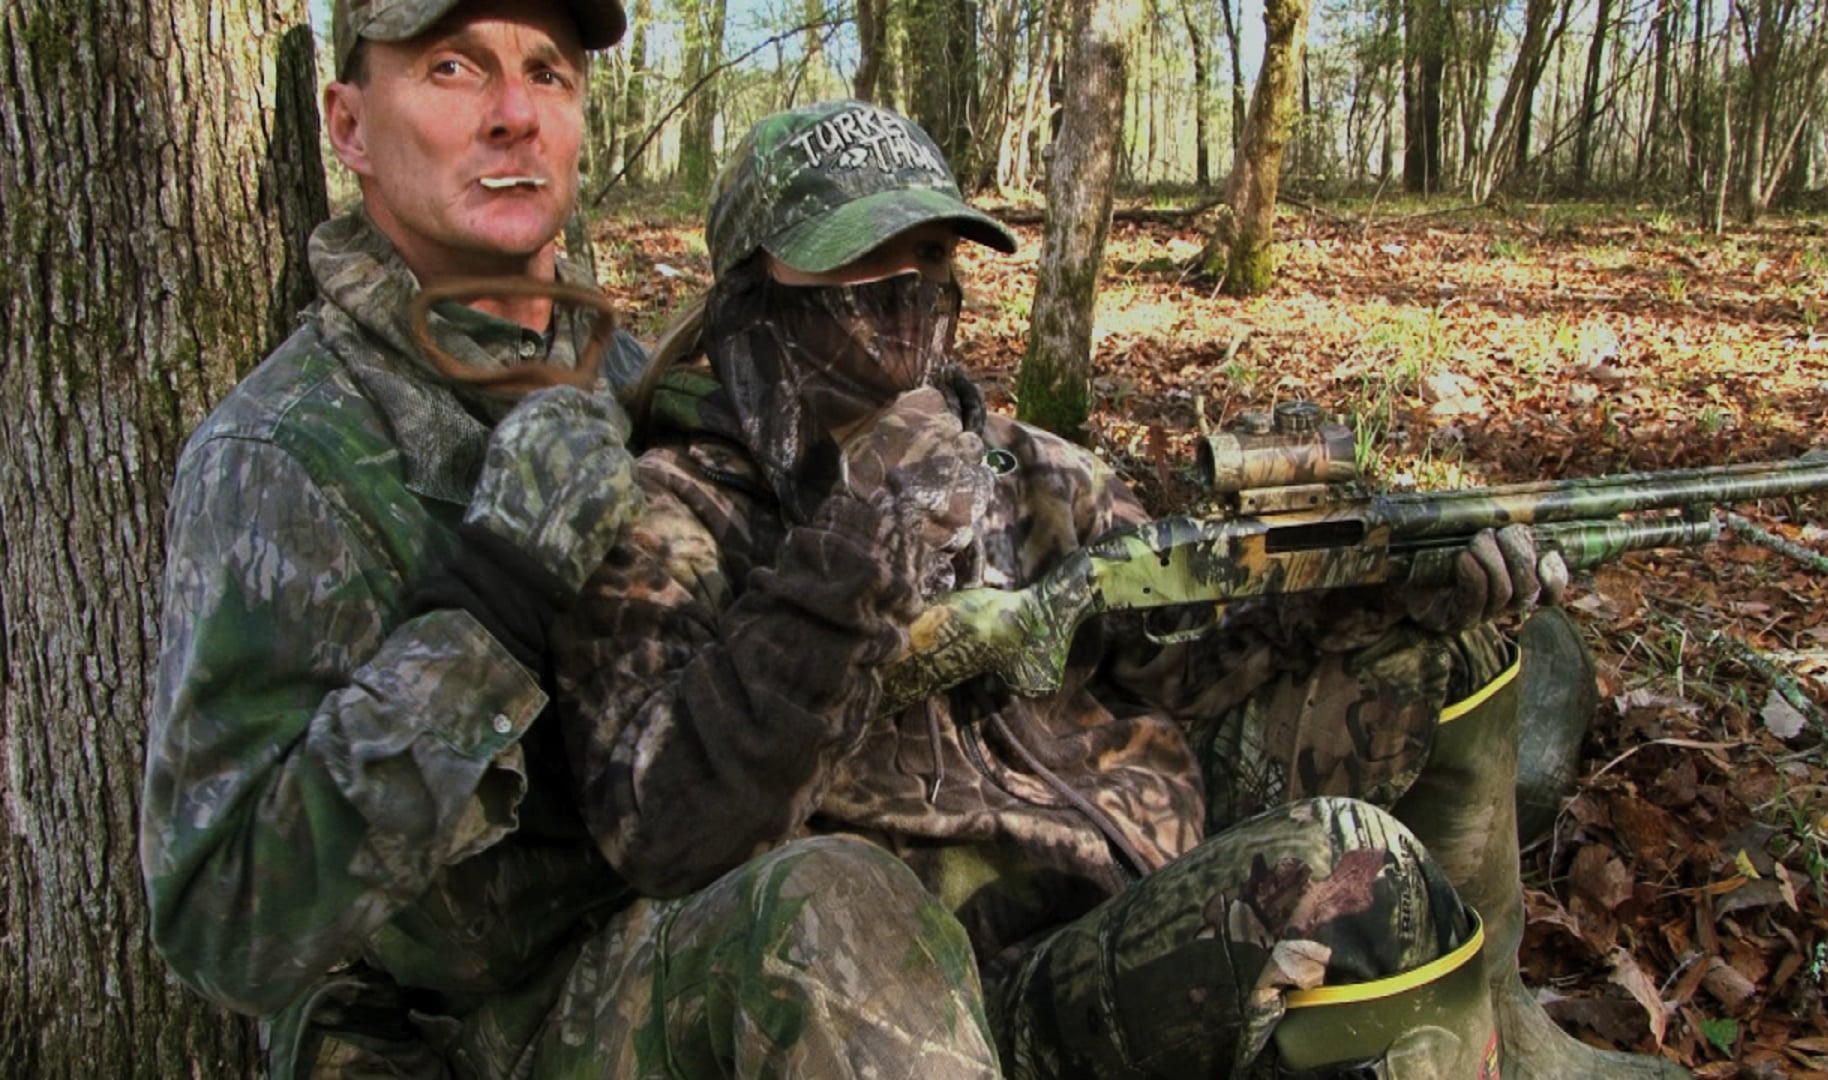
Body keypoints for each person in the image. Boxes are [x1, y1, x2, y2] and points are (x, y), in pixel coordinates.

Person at [549, 99, 1687, 1077]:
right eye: (860, 274)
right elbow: (659, 829)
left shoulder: (1026, 465)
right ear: (755, 296)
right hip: (937, 992)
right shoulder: (674, 512)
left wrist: (1377, 584)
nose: (905, 317)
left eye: (932, 273)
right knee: (1346, 861)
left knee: (1445, 654)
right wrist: (847, 567)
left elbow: (1185, 641)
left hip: (1129, 876)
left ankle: (1507, 1033)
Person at [141, 7, 1000, 1077]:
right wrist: (494, 595)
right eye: (452, 68)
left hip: (703, 908)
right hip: (478, 1025)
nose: (513, 115)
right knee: (831, 921)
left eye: (547, 72)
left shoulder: (632, 372)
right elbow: (225, 928)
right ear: (350, 125)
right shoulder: (285, 452)